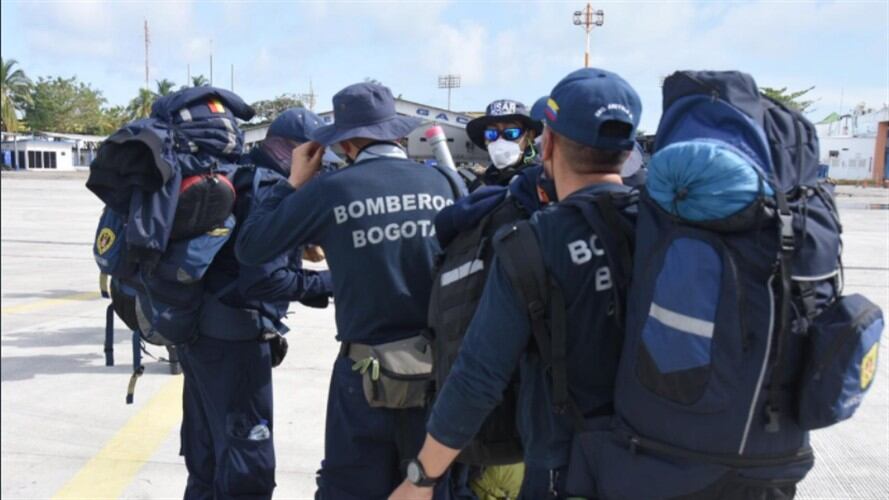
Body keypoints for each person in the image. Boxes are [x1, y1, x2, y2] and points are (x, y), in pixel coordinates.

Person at [389, 67, 643, 500]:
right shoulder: (664, 229)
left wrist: (422, 477)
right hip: (658, 463)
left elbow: (479, 375)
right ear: (628, 152)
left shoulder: (531, 243)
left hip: (563, 466)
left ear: (547, 145)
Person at [235, 82, 465, 500]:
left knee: (349, 488)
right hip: (437, 373)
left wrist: (292, 184)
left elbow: (251, 248)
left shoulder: (331, 191)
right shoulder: (445, 184)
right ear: (397, 133)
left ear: (343, 143)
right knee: (429, 488)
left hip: (364, 377)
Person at [178, 106, 335, 500]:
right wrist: (335, 282)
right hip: (237, 339)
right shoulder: (271, 190)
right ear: (299, 151)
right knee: (249, 457)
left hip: (199, 333)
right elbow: (266, 282)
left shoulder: (239, 173)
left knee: (207, 453)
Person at [459, 100, 543, 192]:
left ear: (529, 135)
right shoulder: (479, 184)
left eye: (511, 133)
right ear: (485, 140)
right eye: (491, 134)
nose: (500, 140)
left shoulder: (541, 179)